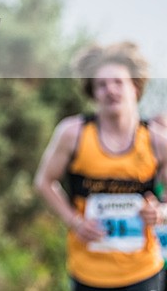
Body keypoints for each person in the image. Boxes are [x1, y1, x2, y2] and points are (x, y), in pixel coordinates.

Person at [35, 42, 167, 291]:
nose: (110, 90)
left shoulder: (157, 140)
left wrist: (160, 213)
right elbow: (43, 182)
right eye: (101, 85)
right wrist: (74, 220)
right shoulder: (72, 133)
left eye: (118, 82)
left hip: (142, 270)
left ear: (135, 87)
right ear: (92, 92)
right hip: (87, 270)